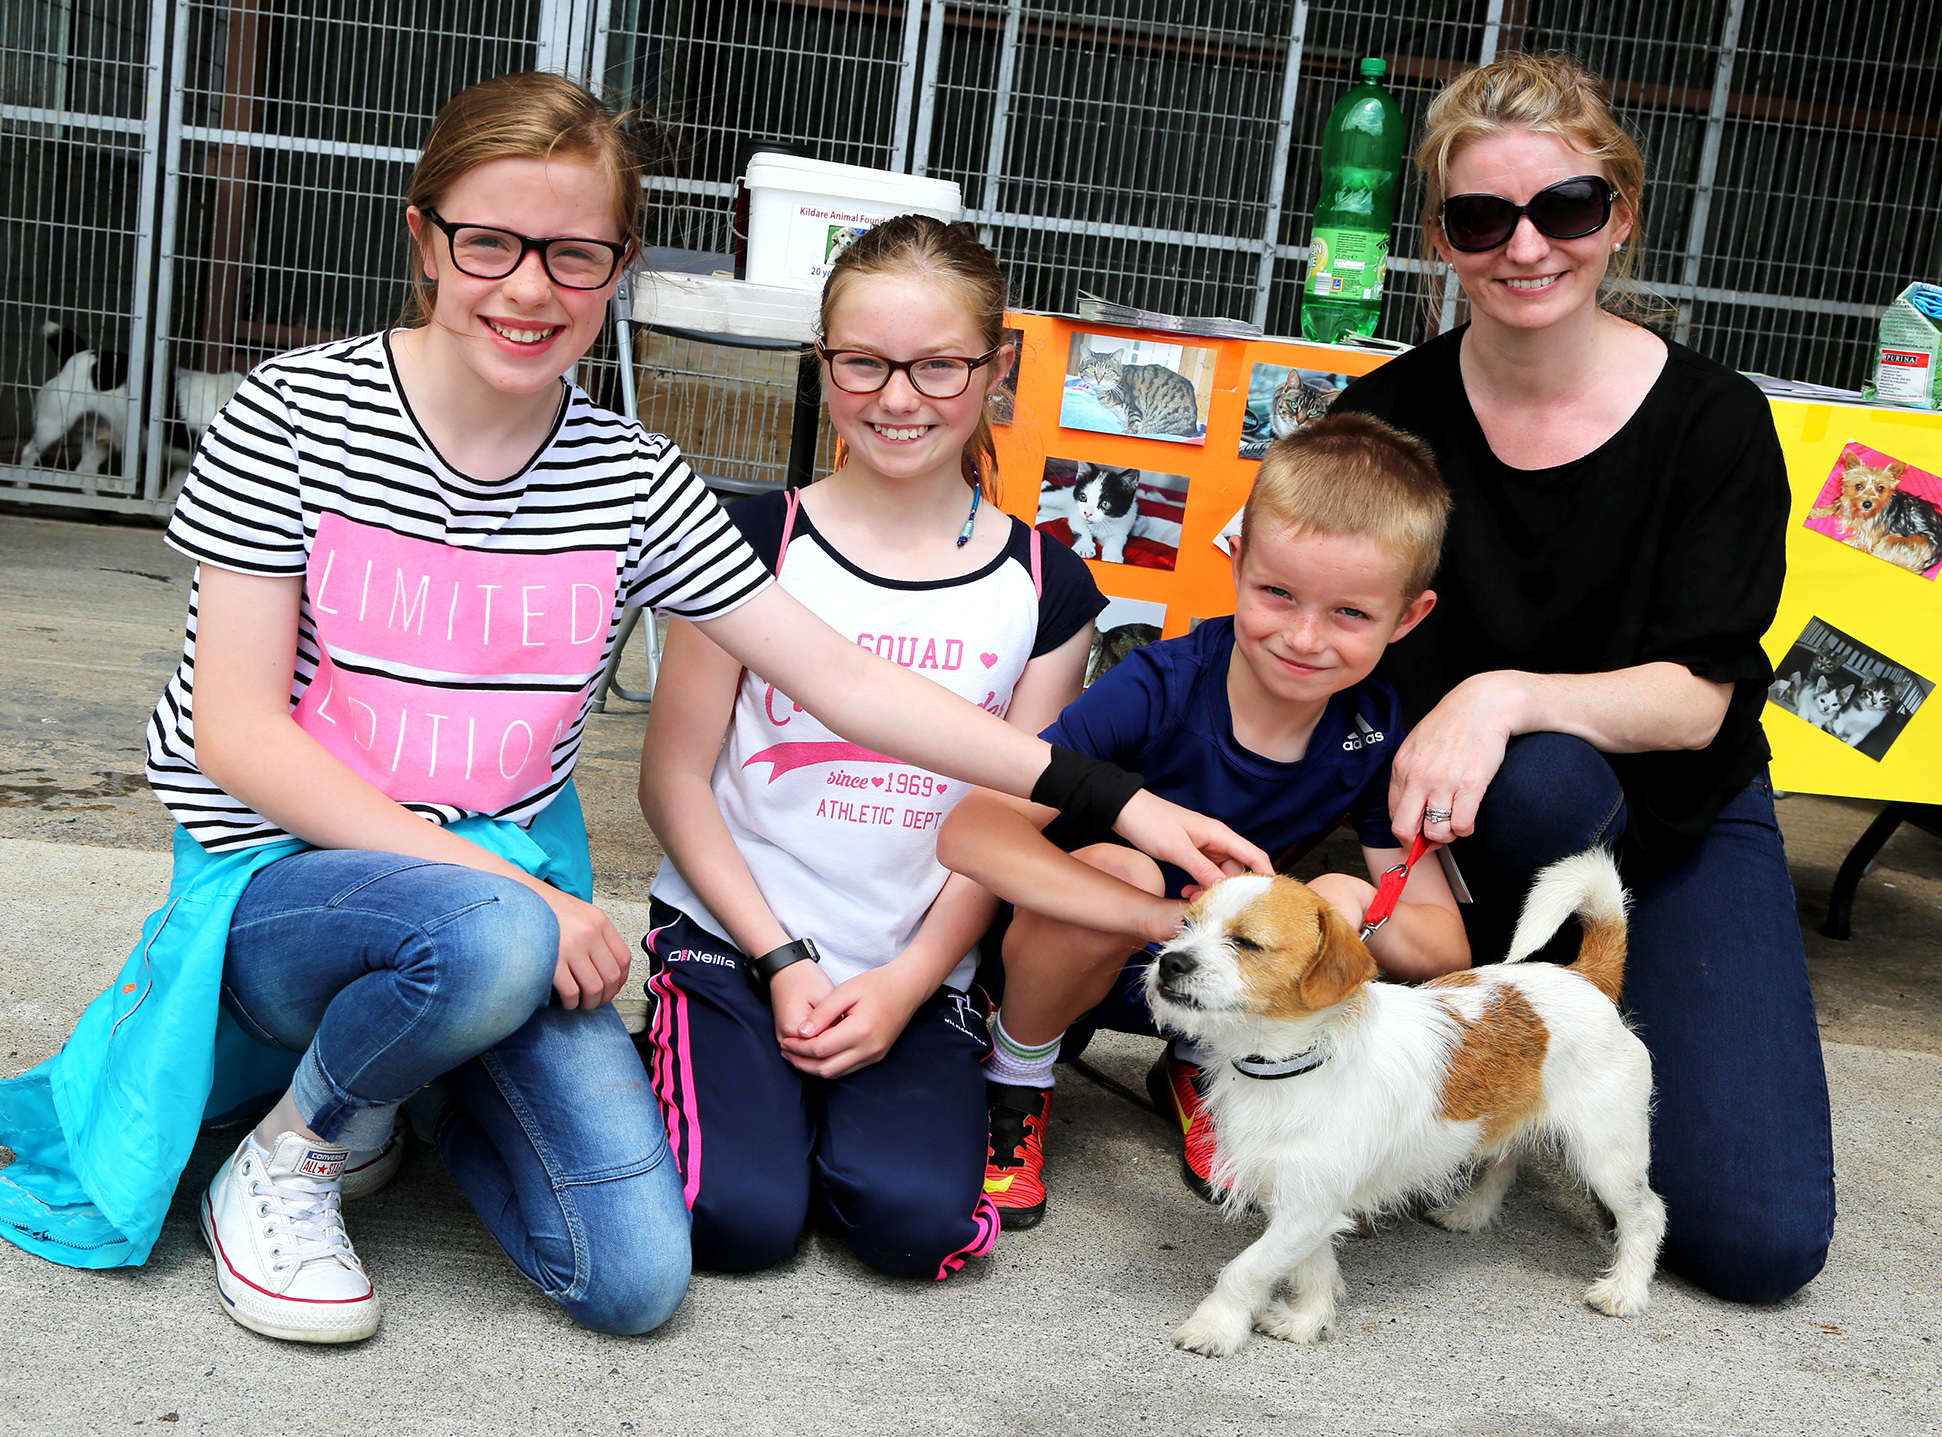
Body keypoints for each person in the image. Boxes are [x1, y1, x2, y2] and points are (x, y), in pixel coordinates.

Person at [0, 75, 1266, 1345]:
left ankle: (420, 1079)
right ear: (423, 236)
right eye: (488, 241)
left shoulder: (629, 474)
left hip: (504, 907)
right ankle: (293, 1149)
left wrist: (1126, 803)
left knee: (634, 1278)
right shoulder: (289, 413)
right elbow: (239, 736)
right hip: (295, 886)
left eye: (575, 253)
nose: (528, 287)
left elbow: (850, 685)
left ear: (619, 268)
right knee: (484, 932)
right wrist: (530, 902)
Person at [1328, 51, 1835, 1303]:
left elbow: (1698, 699)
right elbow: (1316, 660)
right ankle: (1510, 1052)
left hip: (1678, 819)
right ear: (1439, 239)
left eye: (1566, 208)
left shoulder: (1713, 423)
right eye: (1480, 218)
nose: (1526, 248)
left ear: (1621, 215)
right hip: (1455, 835)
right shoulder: (1379, 423)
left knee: (1757, 1246)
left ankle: (1557, 1048)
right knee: (1540, 788)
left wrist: (1496, 691)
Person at [636, 216, 1104, 1279]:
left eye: (939, 365)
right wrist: (780, 959)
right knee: (736, 1223)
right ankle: (698, 1059)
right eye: (864, 363)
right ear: (823, 365)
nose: (899, 398)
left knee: (912, 1225)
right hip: (737, 944)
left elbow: (1006, 829)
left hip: (913, 968)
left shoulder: (1048, 585)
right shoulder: (749, 541)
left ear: (1000, 370)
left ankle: (825, 1098)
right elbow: (673, 780)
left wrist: (908, 984)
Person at [939, 413, 1470, 1228]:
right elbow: (970, 832)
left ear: (1409, 616)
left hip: (1219, 985)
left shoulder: (1373, 728)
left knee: (1322, 897)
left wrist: (1351, 909)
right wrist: (1160, 915)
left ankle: (1203, 1064)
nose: (1303, 635)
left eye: (1350, 614)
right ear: (1236, 562)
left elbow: (1444, 948)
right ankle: (1015, 1078)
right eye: (1278, 593)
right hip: (1073, 960)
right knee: (1127, 867)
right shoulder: (1157, 684)